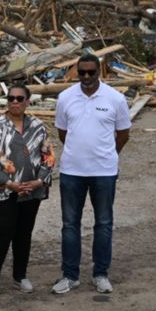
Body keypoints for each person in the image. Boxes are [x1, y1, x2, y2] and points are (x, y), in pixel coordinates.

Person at [51, 53, 131, 295]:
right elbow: (63, 133)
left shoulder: (115, 99)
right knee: (69, 225)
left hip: (104, 172)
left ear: (100, 71)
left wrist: (107, 155)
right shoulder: (65, 98)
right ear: (77, 72)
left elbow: (123, 133)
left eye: (91, 72)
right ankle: (70, 275)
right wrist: (80, 152)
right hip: (71, 171)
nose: (86, 77)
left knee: (104, 223)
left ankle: (101, 274)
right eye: (82, 72)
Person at [0, 84, 55, 299]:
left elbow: (48, 156)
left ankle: (20, 276)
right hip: (3, 190)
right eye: (11, 98)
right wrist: (7, 182)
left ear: (27, 101)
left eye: (19, 98)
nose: (14, 102)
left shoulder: (38, 126)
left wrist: (40, 181)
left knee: (24, 233)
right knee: (1, 233)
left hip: (32, 190)